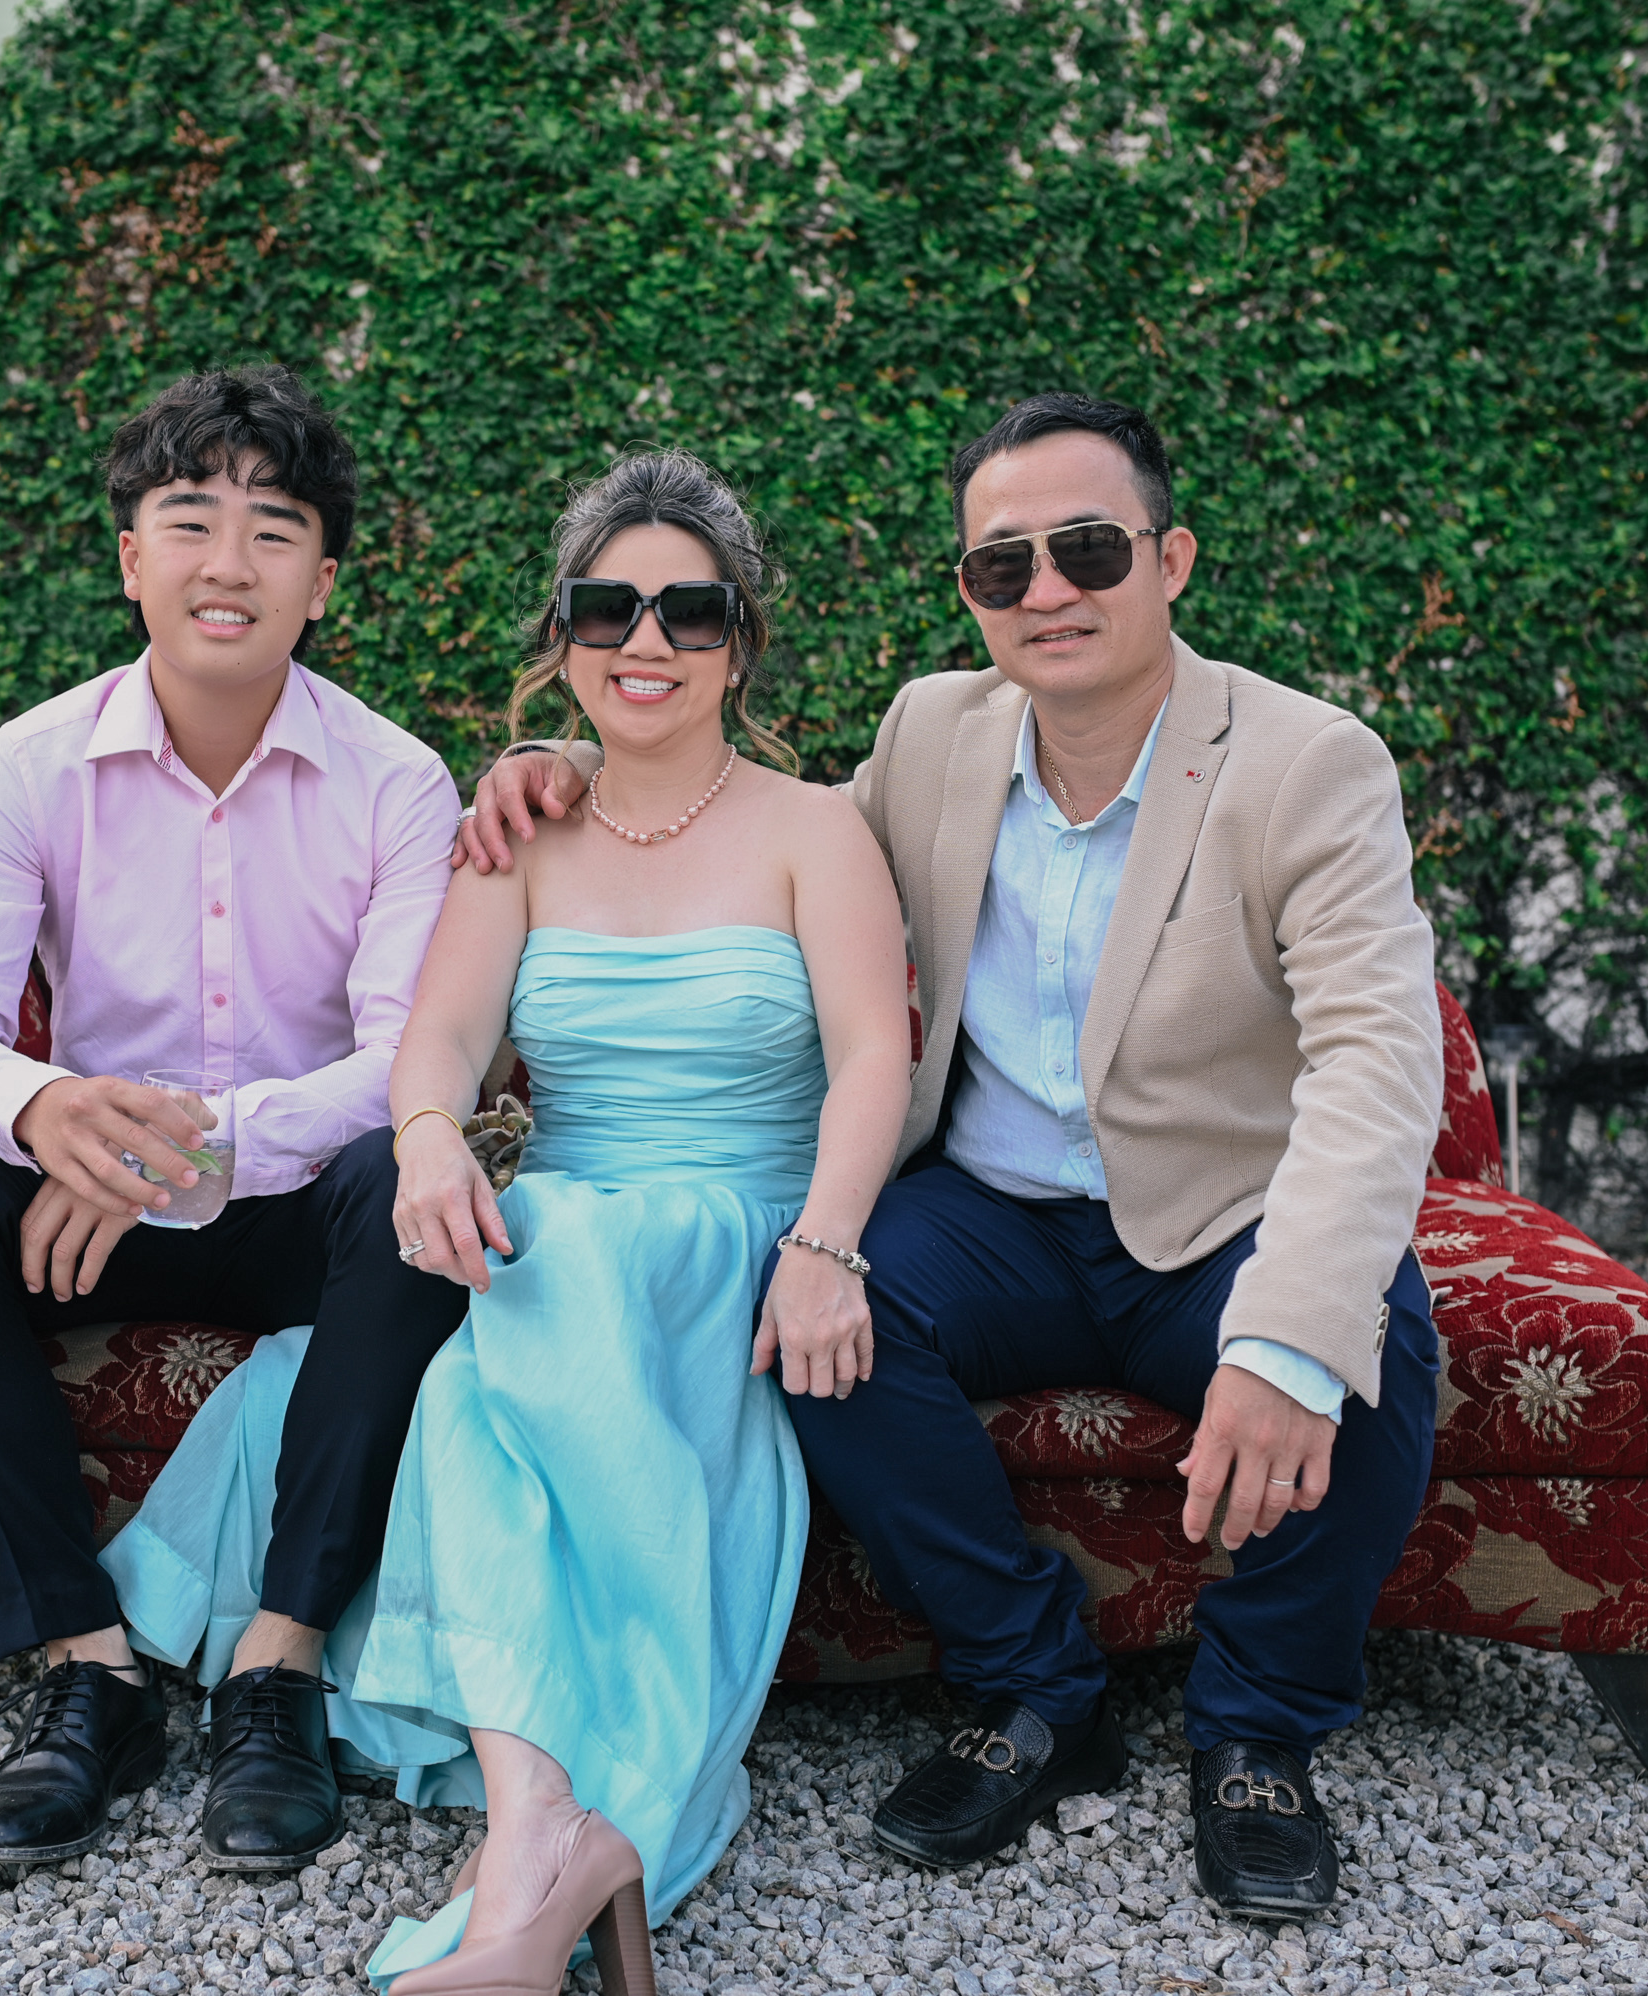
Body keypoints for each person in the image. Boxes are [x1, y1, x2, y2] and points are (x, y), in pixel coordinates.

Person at [461, 391, 1444, 1921]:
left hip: (1216, 1216)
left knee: (1368, 1345)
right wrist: (571, 762)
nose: (1047, 590)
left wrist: (1288, 1341)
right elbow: (740, 835)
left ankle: (1258, 1728)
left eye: (1089, 549)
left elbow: (1379, 1060)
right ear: (970, 591)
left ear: (1171, 559)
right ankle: (1036, 1686)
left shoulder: (1307, 764)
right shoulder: (934, 734)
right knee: (815, 1321)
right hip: (994, 1212)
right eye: (1004, 564)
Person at [104, 450, 910, 1994]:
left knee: (538, 1285)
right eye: (609, 607)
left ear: (741, 640)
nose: (646, 641)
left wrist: (824, 1246)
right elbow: (442, 1042)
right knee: (488, 1317)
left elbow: (879, 1054)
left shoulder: (816, 830)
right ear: (564, 632)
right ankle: (541, 1839)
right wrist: (424, 1142)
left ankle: (534, 1856)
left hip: (722, 1235)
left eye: (689, 611)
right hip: (562, 1233)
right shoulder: (520, 831)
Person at [0, 365, 471, 1875]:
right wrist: (48, 1105)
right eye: (190, 521)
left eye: (273, 529)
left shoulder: (397, 783)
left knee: (410, 1189)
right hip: (90, 1213)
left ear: (323, 582)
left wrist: (174, 1147)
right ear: (132, 560)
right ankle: (87, 1668)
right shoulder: (28, 766)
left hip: (291, 1206)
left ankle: (277, 1668)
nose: (226, 562)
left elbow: (408, 1059)